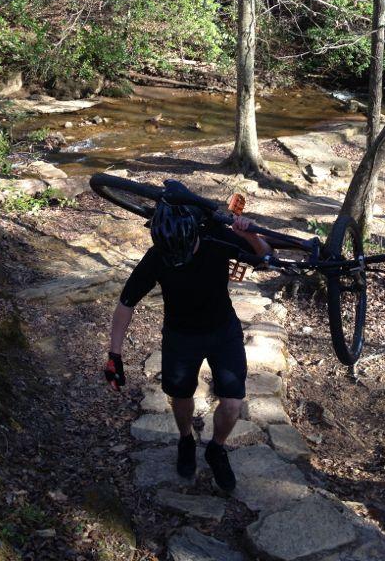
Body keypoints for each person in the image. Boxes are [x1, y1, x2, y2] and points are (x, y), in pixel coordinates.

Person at [104, 198, 272, 492]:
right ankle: (185, 439)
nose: (179, 257)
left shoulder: (216, 238)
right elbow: (126, 302)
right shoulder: (158, 256)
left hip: (223, 331)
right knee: (180, 395)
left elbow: (266, 257)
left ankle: (216, 448)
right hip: (180, 335)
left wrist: (250, 236)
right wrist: (114, 354)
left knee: (232, 403)